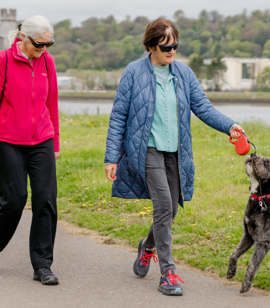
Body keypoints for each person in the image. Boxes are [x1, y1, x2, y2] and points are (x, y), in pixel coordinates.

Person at [104, 18, 244, 296]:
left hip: (176, 152)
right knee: (164, 206)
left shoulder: (183, 73)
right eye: (166, 47)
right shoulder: (134, 72)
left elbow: (202, 107)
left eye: (175, 46)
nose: (172, 52)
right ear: (151, 46)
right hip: (147, 150)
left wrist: (230, 125)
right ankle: (168, 273)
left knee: (172, 208)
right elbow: (118, 115)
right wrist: (111, 157)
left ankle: (148, 247)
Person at [0, 15, 61, 285]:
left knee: (46, 201)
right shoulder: (3, 60)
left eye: (49, 44)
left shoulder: (47, 62)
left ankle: (42, 266)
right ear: (24, 39)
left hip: (42, 141)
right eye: (40, 44)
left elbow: (52, 105)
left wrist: (55, 144)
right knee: (14, 201)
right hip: (8, 141)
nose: (44, 49)